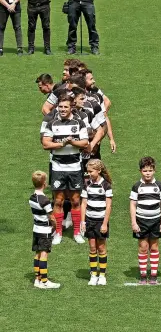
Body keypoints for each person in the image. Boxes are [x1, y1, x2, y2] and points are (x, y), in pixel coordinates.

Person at [42, 95, 89, 244]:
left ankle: (76, 232)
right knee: (58, 201)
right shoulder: (51, 123)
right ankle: (58, 233)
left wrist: (72, 142)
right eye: (60, 107)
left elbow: (85, 143)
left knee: (75, 200)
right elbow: (45, 144)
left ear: (71, 108)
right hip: (58, 167)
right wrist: (61, 144)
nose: (62, 109)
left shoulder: (79, 123)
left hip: (75, 167)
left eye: (65, 107)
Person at [130, 157, 161, 285]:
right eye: (145, 170)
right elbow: (133, 205)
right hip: (141, 221)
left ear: (154, 171)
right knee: (143, 247)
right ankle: (142, 275)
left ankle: (153, 275)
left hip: (156, 221)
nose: (148, 173)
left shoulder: (159, 186)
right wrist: (134, 222)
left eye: (150, 170)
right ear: (140, 171)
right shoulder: (137, 186)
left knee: (154, 246)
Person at [80, 159, 113, 286]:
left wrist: (105, 223)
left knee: (101, 248)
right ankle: (93, 274)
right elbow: (83, 203)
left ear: (99, 171)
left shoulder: (106, 186)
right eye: (87, 172)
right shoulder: (86, 184)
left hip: (100, 221)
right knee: (92, 248)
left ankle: (102, 275)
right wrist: (82, 221)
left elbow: (109, 206)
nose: (89, 174)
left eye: (91, 171)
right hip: (89, 220)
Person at [29, 171, 60, 289]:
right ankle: (45, 281)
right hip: (44, 230)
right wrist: (56, 227)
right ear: (44, 184)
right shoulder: (45, 200)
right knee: (43, 254)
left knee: (37, 253)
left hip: (36, 229)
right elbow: (51, 216)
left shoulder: (32, 198)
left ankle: (37, 279)